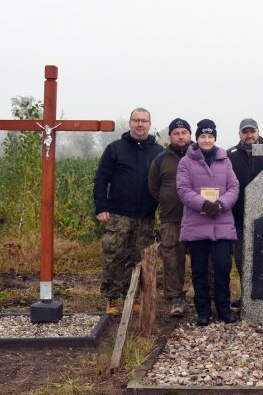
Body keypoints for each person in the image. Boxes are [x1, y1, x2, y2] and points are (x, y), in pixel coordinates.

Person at [93, 107, 164, 316]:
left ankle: (131, 297)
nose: (140, 124)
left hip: (146, 215)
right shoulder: (115, 148)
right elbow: (101, 179)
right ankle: (112, 298)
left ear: (150, 124)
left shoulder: (158, 151)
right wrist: (101, 206)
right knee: (114, 256)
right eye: (136, 120)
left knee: (139, 259)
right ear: (130, 123)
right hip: (118, 213)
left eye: (144, 121)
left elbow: (165, 182)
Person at [177, 119, 240, 326]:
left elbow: (234, 187)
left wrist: (220, 204)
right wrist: (204, 205)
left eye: (210, 136)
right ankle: (203, 311)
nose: (206, 140)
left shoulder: (225, 160)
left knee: (222, 268)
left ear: (215, 138)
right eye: (203, 136)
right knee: (199, 270)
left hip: (221, 222)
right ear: (197, 138)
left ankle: (223, 308)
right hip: (197, 222)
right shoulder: (186, 161)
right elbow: (183, 189)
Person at [148, 118, 192, 317]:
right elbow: (153, 187)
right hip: (171, 218)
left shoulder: (199, 155)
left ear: (190, 135)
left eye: (184, 133)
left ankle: (207, 298)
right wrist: (169, 200)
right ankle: (176, 298)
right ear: (170, 136)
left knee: (206, 259)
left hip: (199, 218)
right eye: (176, 133)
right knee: (172, 259)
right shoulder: (160, 160)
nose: (180, 136)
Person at [226, 118, 263, 308]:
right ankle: (247, 297)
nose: (249, 135)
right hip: (239, 216)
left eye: (252, 131)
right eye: (245, 132)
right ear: (239, 133)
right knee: (242, 257)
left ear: (258, 132)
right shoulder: (231, 155)